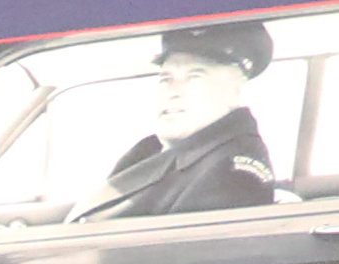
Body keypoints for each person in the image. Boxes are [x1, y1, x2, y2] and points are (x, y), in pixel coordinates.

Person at [93, 17, 284, 221]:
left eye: (194, 77)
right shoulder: (150, 152)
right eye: (166, 79)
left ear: (234, 91)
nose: (172, 92)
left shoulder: (231, 174)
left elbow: (178, 250)